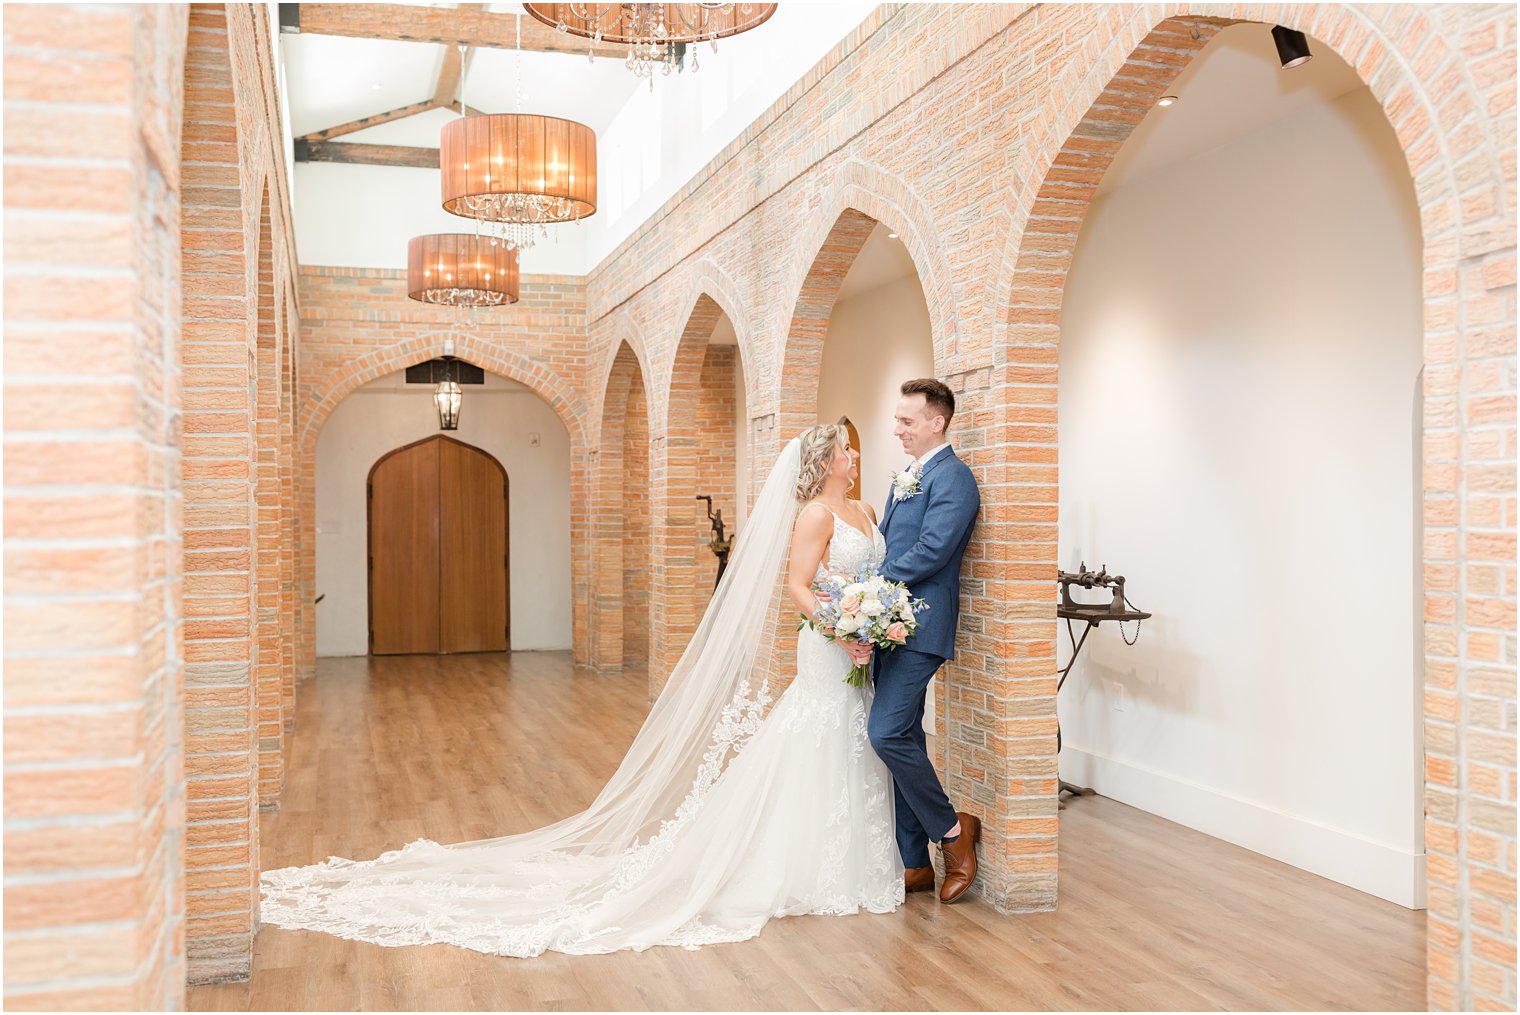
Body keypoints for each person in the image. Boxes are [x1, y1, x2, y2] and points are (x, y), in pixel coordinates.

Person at [260, 424, 904, 957]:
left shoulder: (867, 510)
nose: (856, 452)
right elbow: (798, 584)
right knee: (816, 736)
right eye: (846, 448)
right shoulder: (816, 514)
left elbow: (873, 572)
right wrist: (839, 627)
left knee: (855, 740)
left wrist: (872, 618)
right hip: (828, 644)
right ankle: (791, 865)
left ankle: (856, 865)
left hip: (863, 642)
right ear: (827, 463)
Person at [871, 378, 982, 902]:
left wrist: (875, 584)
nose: (897, 429)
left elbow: (935, 549)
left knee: (886, 734)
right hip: (889, 625)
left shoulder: (954, 477)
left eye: (906, 420)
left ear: (937, 422)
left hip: (923, 626)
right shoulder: (907, 477)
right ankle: (914, 862)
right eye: (897, 420)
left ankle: (954, 834)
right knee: (906, 738)